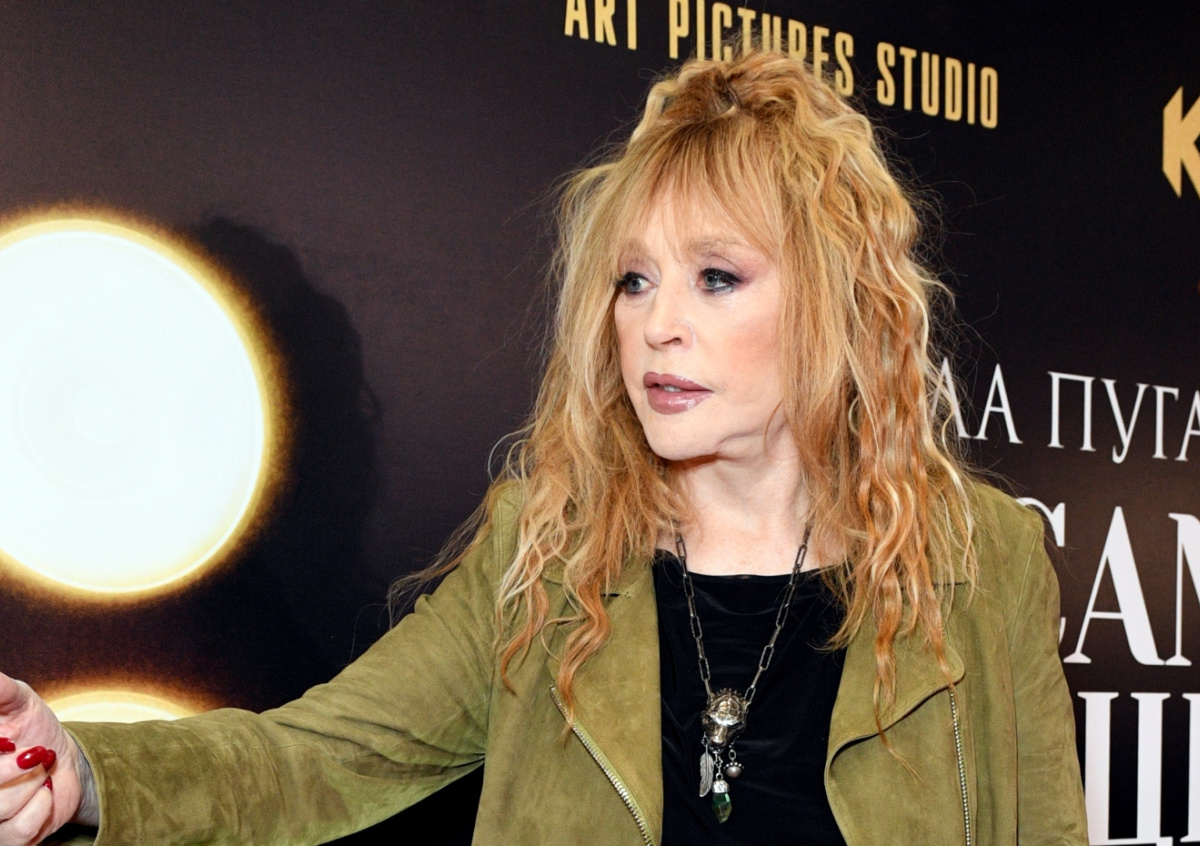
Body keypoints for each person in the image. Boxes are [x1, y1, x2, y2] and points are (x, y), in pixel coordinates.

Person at [0, 50, 1087, 845]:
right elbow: (319, 756)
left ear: (837, 306)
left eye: (717, 277)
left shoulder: (979, 560)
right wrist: (83, 766)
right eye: (633, 280)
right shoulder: (550, 548)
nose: (656, 324)